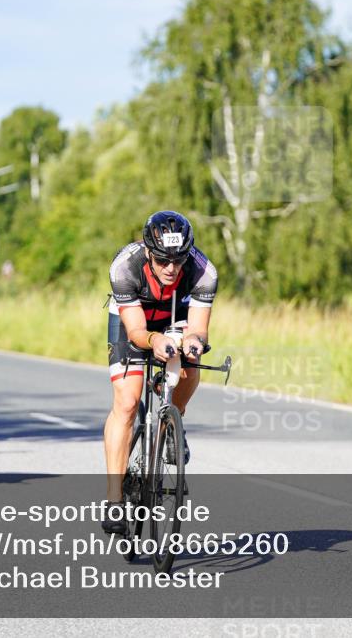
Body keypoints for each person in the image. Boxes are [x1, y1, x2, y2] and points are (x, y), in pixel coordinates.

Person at [101, 211, 218, 534]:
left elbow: (198, 329)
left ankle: (172, 422)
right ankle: (114, 500)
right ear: (149, 251)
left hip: (175, 317)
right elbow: (137, 330)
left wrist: (193, 343)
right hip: (135, 320)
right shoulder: (125, 267)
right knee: (127, 401)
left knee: (190, 367)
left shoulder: (204, 271)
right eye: (163, 260)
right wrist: (154, 340)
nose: (171, 268)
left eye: (178, 260)